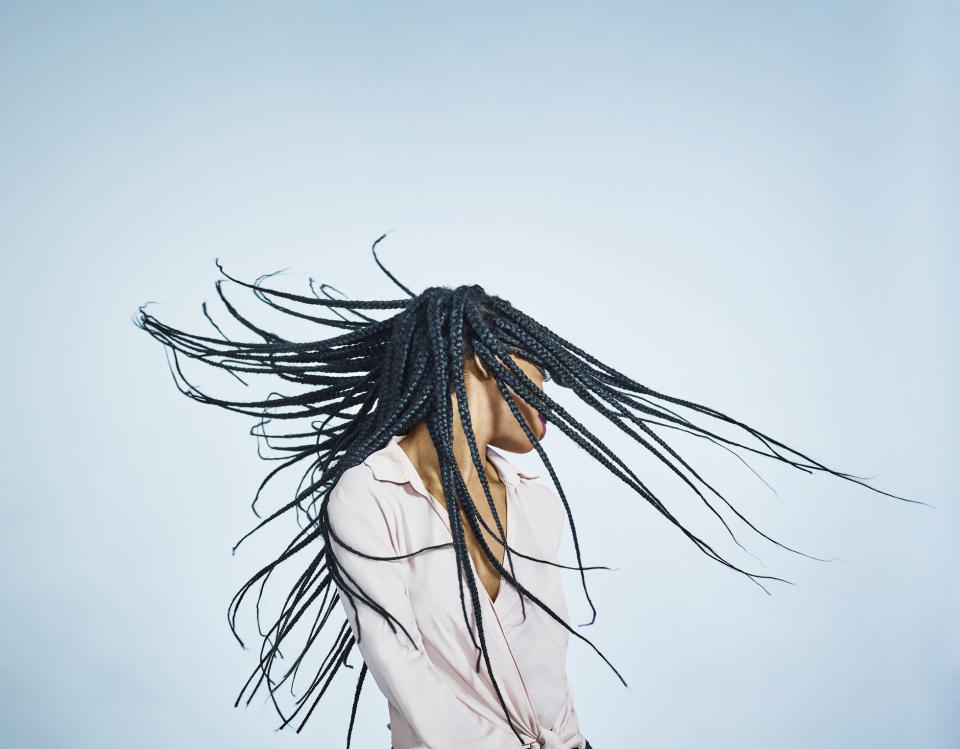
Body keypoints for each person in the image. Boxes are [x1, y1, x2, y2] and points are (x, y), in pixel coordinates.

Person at [133, 237, 920, 748]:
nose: (549, 390)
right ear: (480, 361)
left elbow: (549, 670)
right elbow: (404, 671)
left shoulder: (532, 493)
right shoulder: (368, 495)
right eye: (536, 367)